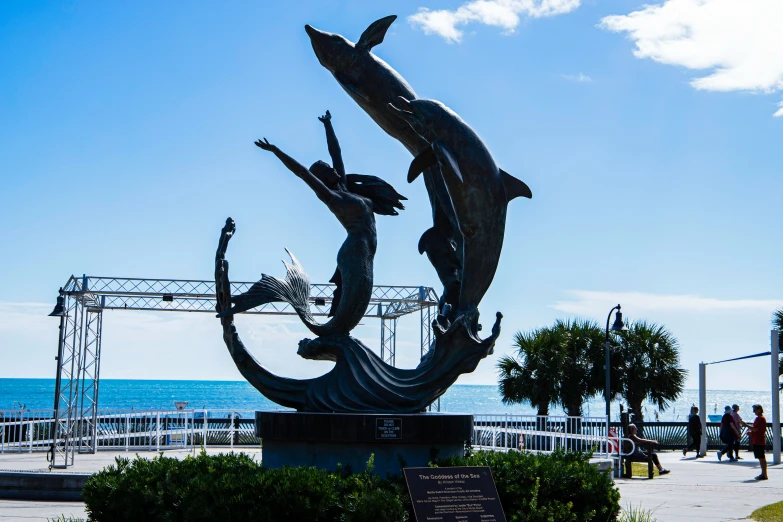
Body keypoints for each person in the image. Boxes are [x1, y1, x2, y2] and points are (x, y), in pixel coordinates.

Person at [223, 111, 406, 337]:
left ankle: (339, 338)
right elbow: (301, 173)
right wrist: (276, 151)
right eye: (326, 170)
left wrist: (328, 125)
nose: (332, 169)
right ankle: (335, 337)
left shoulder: (346, 188)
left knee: (357, 306)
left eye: (330, 167)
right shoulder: (332, 197)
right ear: (323, 179)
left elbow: (336, 152)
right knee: (350, 308)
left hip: (365, 251)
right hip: (355, 251)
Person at [747, 404, 768, 480]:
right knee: (760, 457)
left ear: (759, 410)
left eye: (755, 410)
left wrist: (746, 425)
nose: (754, 412)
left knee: (761, 457)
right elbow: (756, 430)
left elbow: (756, 429)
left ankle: (764, 474)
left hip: (759, 441)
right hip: (756, 440)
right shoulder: (758, 418)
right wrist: (750, 433)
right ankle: (763, 473)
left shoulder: (761, 419)